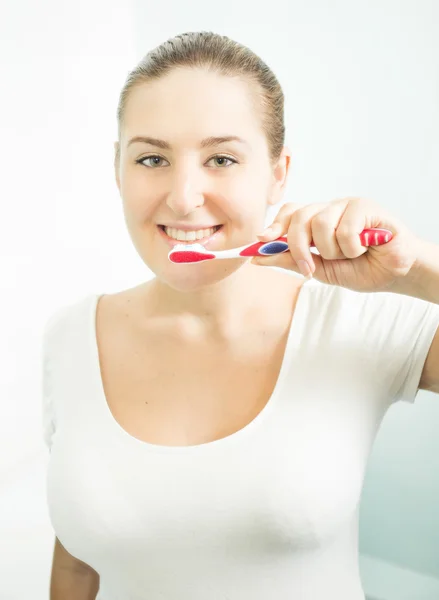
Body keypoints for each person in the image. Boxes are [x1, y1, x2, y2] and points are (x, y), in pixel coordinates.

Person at [42, 31, 439, 600]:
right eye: (152, 158)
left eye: (221, 159)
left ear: (279, 173)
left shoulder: (357, 318)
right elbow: (80, 560)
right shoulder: (69, 337)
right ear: (117, 169)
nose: (183, 197)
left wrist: (416, 268)